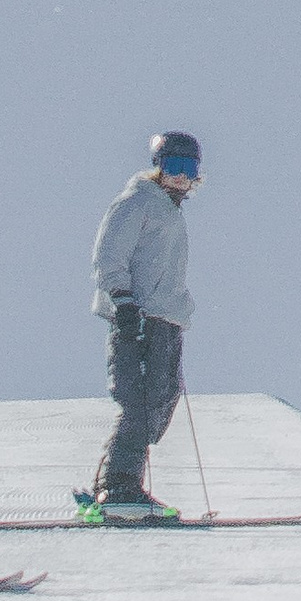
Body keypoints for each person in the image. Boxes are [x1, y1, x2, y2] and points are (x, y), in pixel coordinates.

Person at [87, 131, 200, 518]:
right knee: (138, 401)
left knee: (161, 402)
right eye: (173, 166)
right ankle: (118, 485)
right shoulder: (138, 203)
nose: (181, 176)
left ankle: (118, 481)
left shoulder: (170, 211)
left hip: (166, 318)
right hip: (137, 315)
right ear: (157, 167)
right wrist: (122, 300)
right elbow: (109, 253)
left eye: (189, 168)